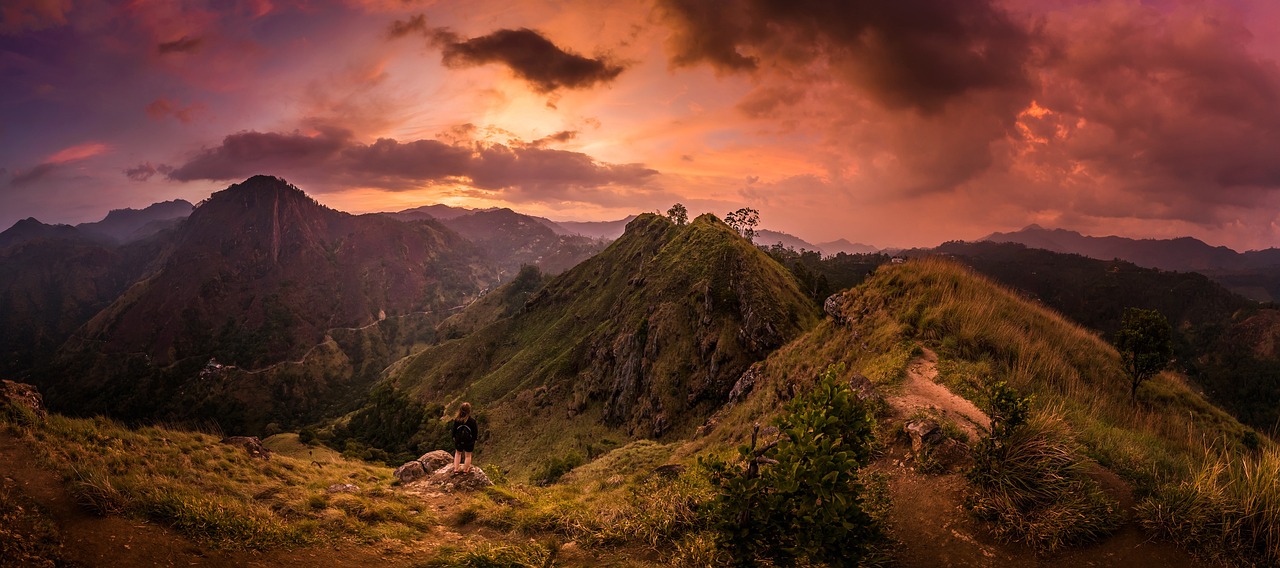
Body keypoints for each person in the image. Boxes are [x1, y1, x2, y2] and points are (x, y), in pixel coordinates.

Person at [451, 402, 478, 474]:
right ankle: (466, 470)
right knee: (468, 455)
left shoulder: (457, 420)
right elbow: (475, 432)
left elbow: (454, 430)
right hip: (469, 441)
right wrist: (474, 440)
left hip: (459, 440)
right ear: (469, 411)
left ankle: (456, 469)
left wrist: (454, 437)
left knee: (458, 453)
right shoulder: (472, 421)